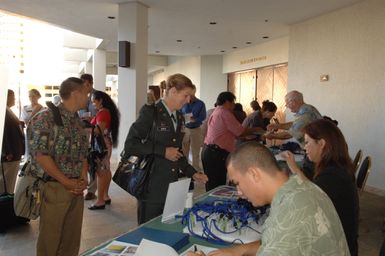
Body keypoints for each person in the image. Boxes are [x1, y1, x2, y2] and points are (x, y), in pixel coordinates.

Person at [188, 142, 350, 256]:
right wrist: (237, 250)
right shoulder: (301, 187)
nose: (239, 192)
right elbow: (272, 242)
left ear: (253, 174)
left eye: (237, 183)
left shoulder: (290, 212)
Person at [122, 73, 208, 224]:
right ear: (173, 91)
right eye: (186, 95)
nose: (188, 100)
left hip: (172, 188)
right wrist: (162, 151)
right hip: (150, 187)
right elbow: (130, 145)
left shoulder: (180, 117)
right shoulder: (151, 112)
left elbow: (177, 152)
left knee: (167, 230)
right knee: (149, 232)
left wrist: (192, 173)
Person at [28, 77, 89, 256]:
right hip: (55, 188)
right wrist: (66, 182)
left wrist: (83, 178)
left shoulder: (76, 120)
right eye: (85, 93)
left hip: (76, 188)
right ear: (75, 93)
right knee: (50, 240)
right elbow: (41, 155)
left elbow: (83, 153)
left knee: (72, 240)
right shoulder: (46, 117)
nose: (88, 97)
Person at [281, 119, 359, 255]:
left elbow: (307, 198)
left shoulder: (333, 176)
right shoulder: (335, 167)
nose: (305, 148)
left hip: (338, 248)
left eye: (307, 142)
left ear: (321, 143)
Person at [202, 92, 266, 191]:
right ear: (228, 102)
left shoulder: (217, 111)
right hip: (215, 153)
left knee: (213, 183)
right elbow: (239, 132)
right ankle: (215, 205)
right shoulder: (224, 113)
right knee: (216, 185)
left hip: (211, 151)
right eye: (233, 103)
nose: (233, 106)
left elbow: (231, 132)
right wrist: (255, 129)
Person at [88, 90, 120, 210]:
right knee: (105, 171)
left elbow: (98, 131)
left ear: (100, 100)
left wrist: (84, 128)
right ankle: (105, 196)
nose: (92, 104)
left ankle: (100, 200)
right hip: (106, 145)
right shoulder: (106, 112)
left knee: (101, 173)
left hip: (100, 146)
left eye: (94, 101)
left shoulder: (103, 112)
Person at [0, 90, 25, 194]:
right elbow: (3, 133)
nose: (14, 99)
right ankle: (5, 202)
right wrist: (7, 151)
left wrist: (19, 123)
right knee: (6, 181)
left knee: (10, 181)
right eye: (12, 96)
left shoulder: (7, 110)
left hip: (15, 151)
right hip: (10, 154)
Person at [79, 73, 98, 201]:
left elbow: (102, 113)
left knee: (93, 161)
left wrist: (92, 118)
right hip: (81, 130)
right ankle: (81, 186)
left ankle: (92, 190)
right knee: (82, 160)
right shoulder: (79, 95)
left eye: (85, 84)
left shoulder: (97, 96)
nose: (83, 87)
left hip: (94, 131)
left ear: (90, 83)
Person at [181, 88, 206, 171]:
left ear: (194, 92)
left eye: (191, 93)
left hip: (196, 129)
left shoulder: (200, 103)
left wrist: (195, 120)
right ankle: (185, 168)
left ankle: (195, 169)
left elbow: (203, 116)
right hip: (185, 129)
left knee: (196, 150)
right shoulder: (183, 102)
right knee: (185, 151)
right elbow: (179, 114)